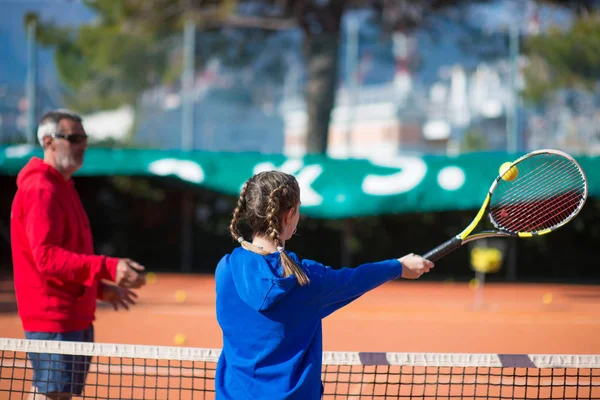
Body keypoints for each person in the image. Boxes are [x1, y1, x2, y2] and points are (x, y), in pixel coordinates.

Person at [215, 170, 434, 399]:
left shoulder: (225, 269)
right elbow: (357, 278)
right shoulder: (307, 278)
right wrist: (399, 266)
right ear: (290, 215)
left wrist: (397, 267)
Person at [9, 109, 146, 400]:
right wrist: (108, 267)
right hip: (53, 318)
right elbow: (46, 258)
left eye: (84, 138)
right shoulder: (41, 189)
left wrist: (98, 289)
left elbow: (66, 256)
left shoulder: (62, 187)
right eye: (73, 138)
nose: (82, 144)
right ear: (48, 142)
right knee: (52, 395)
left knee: (58, 395)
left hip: (73, 315)